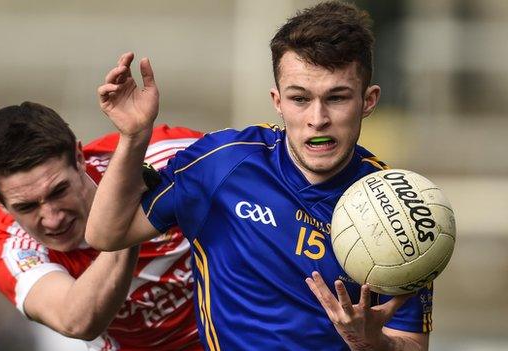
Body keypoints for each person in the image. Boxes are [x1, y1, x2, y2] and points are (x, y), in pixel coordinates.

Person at [85, 1, 434, 350]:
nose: (318, 118)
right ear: (277, 101)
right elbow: (107, 234)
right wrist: (133, 136)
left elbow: (412, 344)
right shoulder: (221, 165)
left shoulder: (399, 211)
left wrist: (374, 343)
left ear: (368, 101)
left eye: (337, 97)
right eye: (300, 99)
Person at [0, 101, 204, 350]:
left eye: (59, 191)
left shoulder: (166, 157)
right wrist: (125, 213)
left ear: (79, 158)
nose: (52, 218)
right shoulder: (10, 247)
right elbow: (76, 321)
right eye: (26, 207)